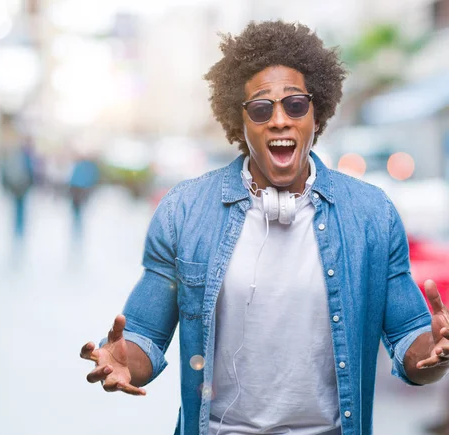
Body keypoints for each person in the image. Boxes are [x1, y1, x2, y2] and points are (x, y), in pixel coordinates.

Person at [80, 21, 449, 435]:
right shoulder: (184, 212)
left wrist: (435, 351)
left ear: (316, 112)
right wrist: (126, 360)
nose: (279, 120)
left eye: (295, 105)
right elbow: (145, 336)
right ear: (239, 121)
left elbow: (413, 348)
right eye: (260, 108)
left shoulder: (371, 215)